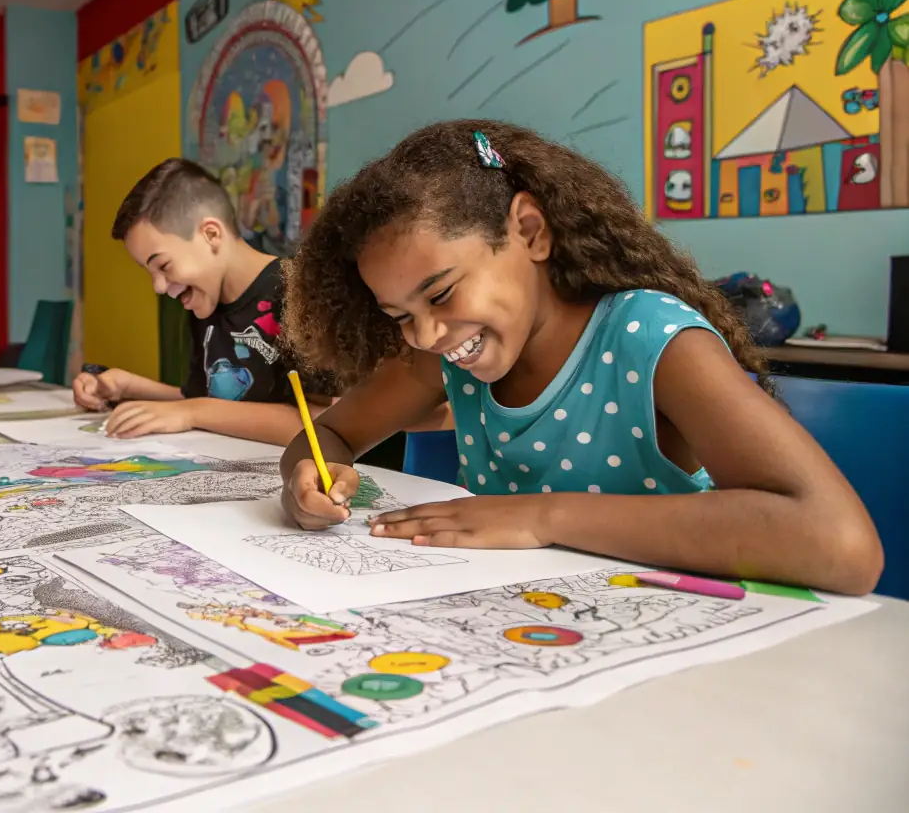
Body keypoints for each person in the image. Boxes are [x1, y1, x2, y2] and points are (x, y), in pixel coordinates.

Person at [277, 120, 883, 595]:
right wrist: (308, 476)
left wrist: (546, 518)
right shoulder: (446, 353)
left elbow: (842, 544)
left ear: (531, 231)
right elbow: (327, 431)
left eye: (440, 293)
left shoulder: (653, 341)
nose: (426, 333)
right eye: (400, 316)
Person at [74, 158, 325, 446]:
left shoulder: (301, 293)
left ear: (211, 235)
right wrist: (126, 387)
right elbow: (204, 401)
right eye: (149, 272)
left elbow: (322, 423)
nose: (158, 287)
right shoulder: (203, 299)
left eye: (164, 266)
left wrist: (191, 412)